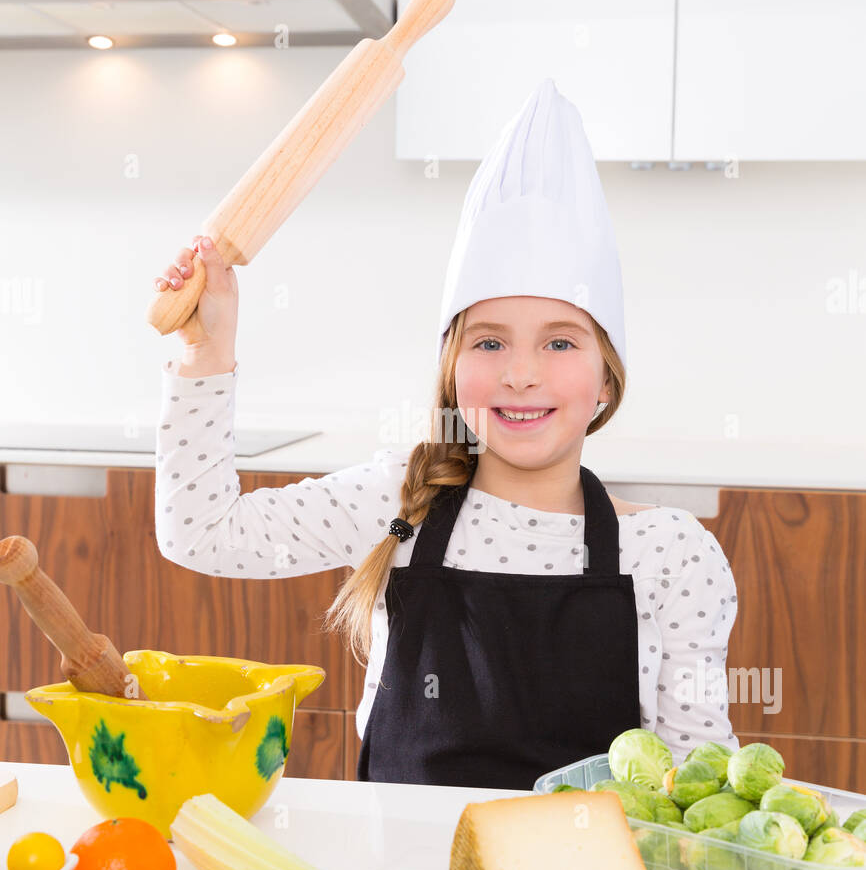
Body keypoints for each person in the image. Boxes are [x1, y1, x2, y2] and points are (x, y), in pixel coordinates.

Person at [154, 78, 738, 789]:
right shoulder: (396, 506)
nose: (521, 374)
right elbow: (201, 532)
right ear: (453, 372)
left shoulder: (673, 555)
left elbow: (701, 774)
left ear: (606, 383)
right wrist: (204, 352)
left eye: (559, 344)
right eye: (489, 344)